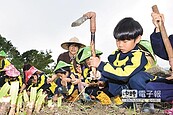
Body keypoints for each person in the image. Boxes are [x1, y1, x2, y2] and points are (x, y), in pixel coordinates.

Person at [89, 17, 155, 109]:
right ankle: (129, 101)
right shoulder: (115, 55)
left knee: (136, 79)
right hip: (127, 87)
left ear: (137, 39)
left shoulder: (139, 55)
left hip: (144, 84)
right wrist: (102, 80)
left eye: (125, 41)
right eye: (118, 40)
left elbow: (124, 74)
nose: (120, 44)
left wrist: (100, 65)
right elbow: (112, 69)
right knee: (110, 79)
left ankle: (147, 103)